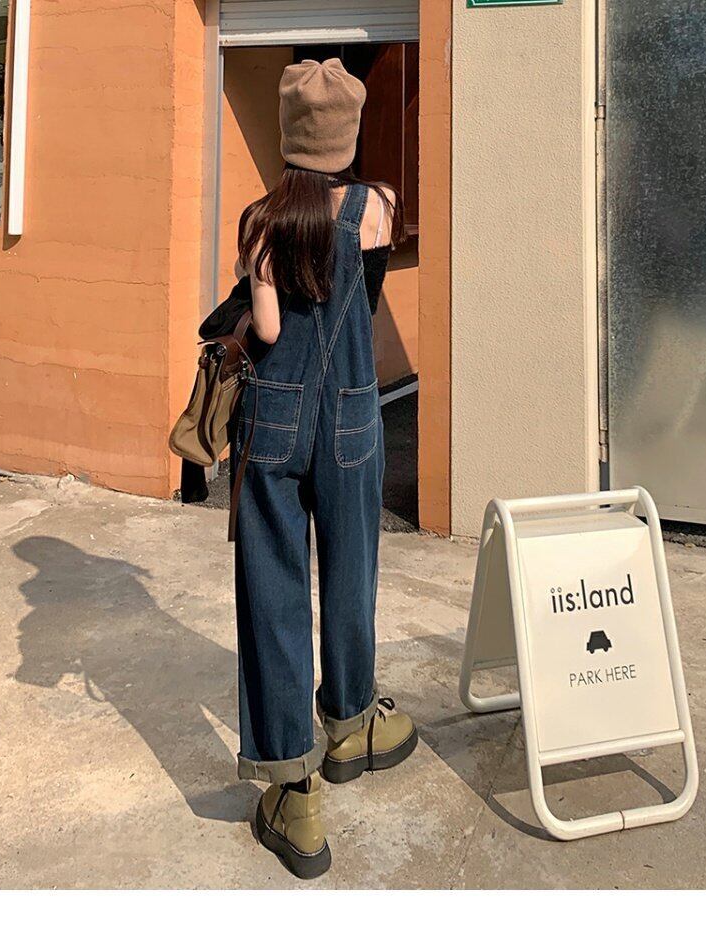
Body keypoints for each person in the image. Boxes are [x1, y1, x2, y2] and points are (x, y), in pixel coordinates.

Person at [231, 58, 417, 880]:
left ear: (286, 133)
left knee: (273, 589)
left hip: (274, 417)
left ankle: (293, 794)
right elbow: (363, 296)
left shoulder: (261, 220)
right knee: (351, 571)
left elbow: (269, 330)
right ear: (349, 131)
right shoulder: (379, 207)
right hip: (351, 415)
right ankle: (350, 722)